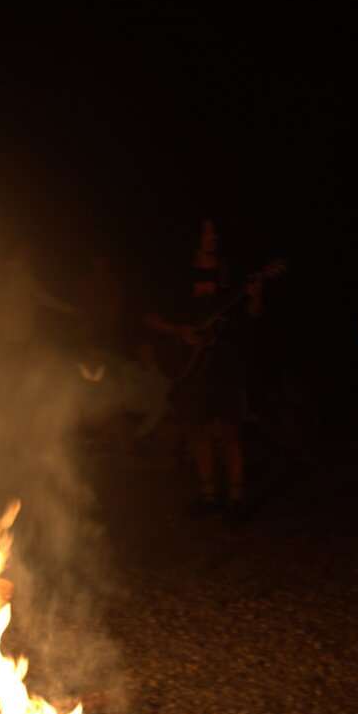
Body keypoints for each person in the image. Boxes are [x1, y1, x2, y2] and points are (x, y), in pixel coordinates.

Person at [145, 218, 263, 520]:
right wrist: (180, 331)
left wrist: (255, 297)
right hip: (193, 365)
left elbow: (252, 316)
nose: (213, 237)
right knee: (198, 430)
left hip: (226, 362)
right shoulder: (180, 275)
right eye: (207, 232)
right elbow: (150, 317)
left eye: (216, 232)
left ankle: (236, 498)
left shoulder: (229, 273)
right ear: (195, 237)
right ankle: (208, 496)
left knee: (229, 430)